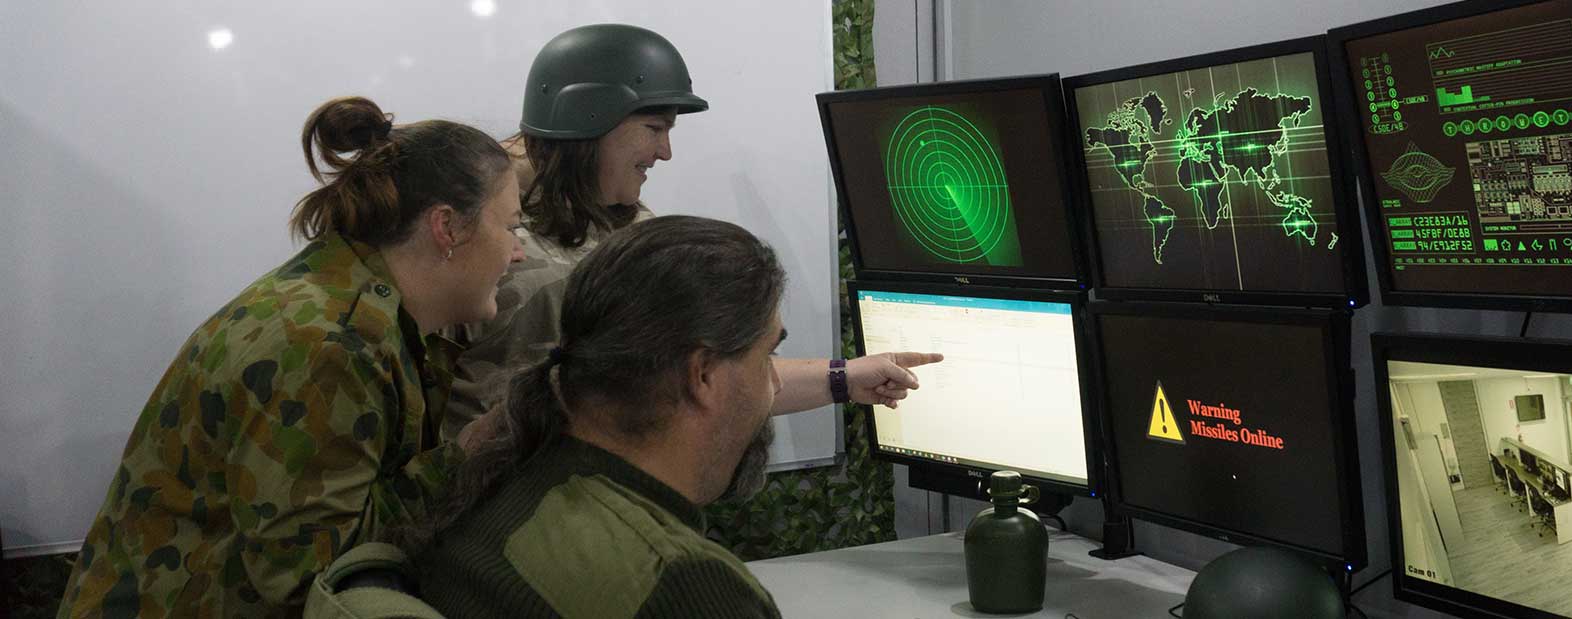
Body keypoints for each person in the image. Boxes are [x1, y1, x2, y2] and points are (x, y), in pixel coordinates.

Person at [58, 97, 525, 617]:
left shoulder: (345, 304)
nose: (518, 252)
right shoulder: (333, 346)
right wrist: (464, 456)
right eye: (510, 227)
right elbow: (312, 580)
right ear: (449, 228)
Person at [443, 24, 937, 440]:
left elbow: (708, 377)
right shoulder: (473, 236)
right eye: (655, 128)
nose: (665, 152)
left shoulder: (630, 230)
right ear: (591, 120)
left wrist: (845, 378)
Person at [412, 215, 793, 618]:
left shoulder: (496, 484)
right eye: (768, 355)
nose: (776, 384)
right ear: (703, 374)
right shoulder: (681, 583)